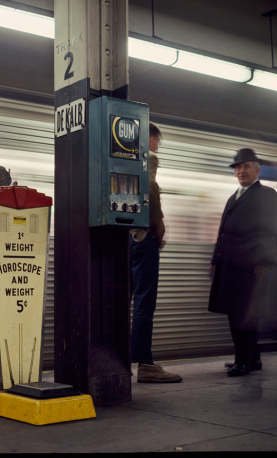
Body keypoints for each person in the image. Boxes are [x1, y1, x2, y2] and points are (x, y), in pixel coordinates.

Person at [208, 148, 277, 376]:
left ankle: (243, 361)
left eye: (246, 166)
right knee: (239, 313)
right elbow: (222, 232)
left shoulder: (267, 195)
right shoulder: (234, 196)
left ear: (257, 169)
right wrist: (215, 259)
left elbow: (272, 230)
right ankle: (253, 357)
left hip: (250, 266)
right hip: (229, 266)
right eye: (238, 167)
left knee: (243, 315)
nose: (241, 170)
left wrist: (265, 259)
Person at [129, 122, 182, 383]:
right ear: (149, 139)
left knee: (124, 301)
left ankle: (120, 359)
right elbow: (149, 189)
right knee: (144, 301)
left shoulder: (119, 158)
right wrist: (158, 222)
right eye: (157, 141)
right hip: (143, 238)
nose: (157, 147)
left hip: (125, 239)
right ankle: (146, 365)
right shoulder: (146, 157)